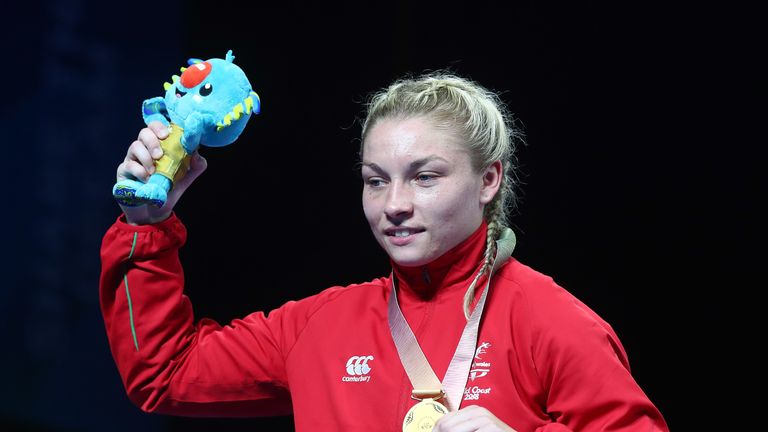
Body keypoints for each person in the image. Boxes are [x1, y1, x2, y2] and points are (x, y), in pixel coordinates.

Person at [100, 71, 669, 431]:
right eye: (376, 180)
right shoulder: (321, 326)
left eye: (424, 177)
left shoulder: (551, 321)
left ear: (488, 180)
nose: (393, 205)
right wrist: (145, 223)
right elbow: (165, 374)